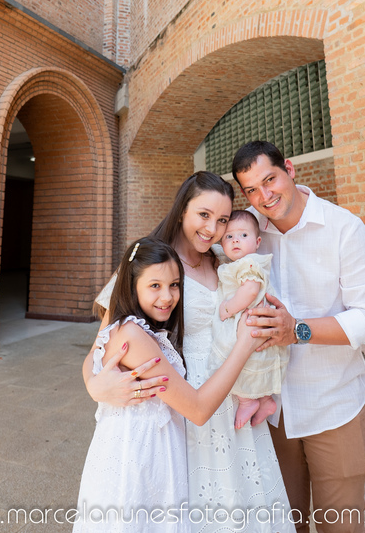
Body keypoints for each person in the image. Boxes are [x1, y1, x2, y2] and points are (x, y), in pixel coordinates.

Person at [86, 172, 295, 533]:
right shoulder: (150, 263)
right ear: (182, 209)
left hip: (234, 390)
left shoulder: (223, 259)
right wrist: (94, 386)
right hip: (188, 395)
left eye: (223, 220)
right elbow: (100, 350)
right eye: (204, 215)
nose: (213, 229)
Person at [236, 141, 365, 533]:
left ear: (290, 169)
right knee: (284, 525)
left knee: (340, 526)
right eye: (251, 189)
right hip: (272, 412)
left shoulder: (344, 228)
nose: (264, 196)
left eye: (270, 180)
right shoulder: (248, 233)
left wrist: (296, 330)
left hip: (334, 405)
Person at [74, 236, 259, 533]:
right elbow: (197, 410)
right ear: (131, 285)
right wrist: (244, 346)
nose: (168, 297)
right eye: (155, 286)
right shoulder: (133, 337)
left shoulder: (132, 328)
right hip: (137, 462)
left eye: (174, 285)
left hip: (146, 451)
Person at [208, 210, 287, 430]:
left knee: (236, 360)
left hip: (248, 322)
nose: (235, 241)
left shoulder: (249, 263)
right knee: (251, 363)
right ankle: (265, 401)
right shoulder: (238, 262)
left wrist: (227, 308)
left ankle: (247, 400)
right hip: (253, 325)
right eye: (229, 237)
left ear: (257, 241)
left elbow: (251, 290)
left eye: (243, 236)